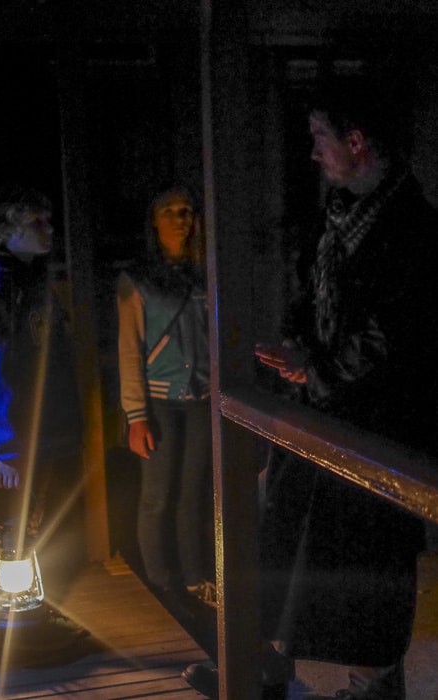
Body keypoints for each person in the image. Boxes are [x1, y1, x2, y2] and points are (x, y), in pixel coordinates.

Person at [184, 79, 438, 699]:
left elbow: (390, 334)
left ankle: (372, 686)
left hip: (381, 426)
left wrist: (313, 366)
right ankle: (266, 665)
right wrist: (299, 344)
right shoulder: (344, 213)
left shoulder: (411, 229)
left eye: (320, 139)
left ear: (355, 142)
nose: (313, 152)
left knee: (366, 566)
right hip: (325, 412)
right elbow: (317, 297)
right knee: (285, 543)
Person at [0, 185, 85, 632]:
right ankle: (13, 613)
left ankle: (28, 608)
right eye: (37, 222)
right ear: (8, 231)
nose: (48, 229)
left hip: (46, 427)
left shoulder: (33, 278)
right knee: (16, 521)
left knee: (34, 518)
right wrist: (8, 445)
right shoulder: (0, 283)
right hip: (19, 435)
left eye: (48, 220)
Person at [116, 187, 215, 606]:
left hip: (199, 396)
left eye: (187, 211)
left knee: (194, 491)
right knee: (157, 495)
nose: (180, 219)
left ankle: (196, 576)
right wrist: (136, 415)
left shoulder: (204, 273)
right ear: (154, 222)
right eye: (170, 212)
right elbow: (129, 348)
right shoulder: (136, 279)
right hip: (158, 400)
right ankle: (160, 578)